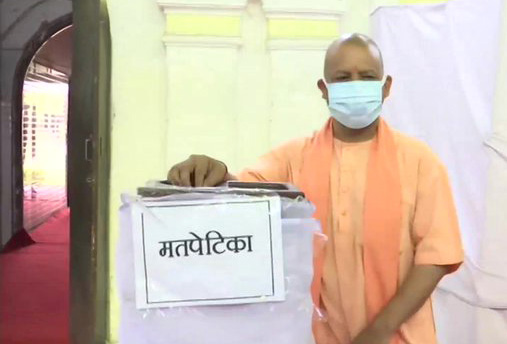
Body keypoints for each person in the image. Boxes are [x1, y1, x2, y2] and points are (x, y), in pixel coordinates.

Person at [167, 33, 464, 344]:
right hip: (317, 336)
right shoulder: (295, 158)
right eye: (343, 78)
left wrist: (377, 333)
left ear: (385, 87)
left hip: (398, 336)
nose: (355, 84)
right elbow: (243, 193)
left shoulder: (420, 162)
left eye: (366, 77)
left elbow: (436, 257)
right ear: (324, 89)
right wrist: (212, 170)